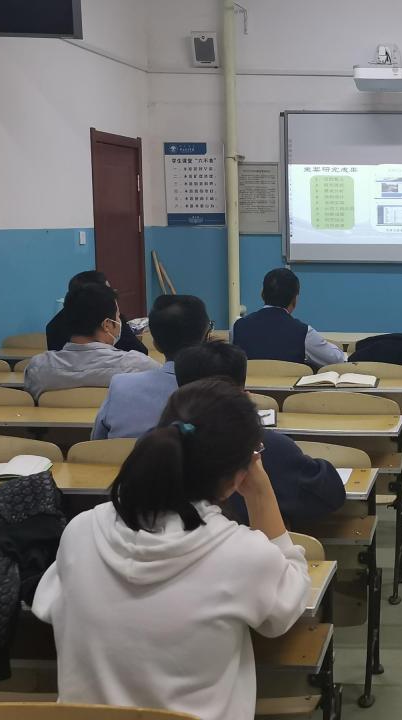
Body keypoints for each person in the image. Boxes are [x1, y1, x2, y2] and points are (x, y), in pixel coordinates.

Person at [33, 380, 310, 720]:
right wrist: (261, 495)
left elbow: (47, 605)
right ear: (239, 476)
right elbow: (287, 607)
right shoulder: (244, 555)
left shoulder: (81, 530)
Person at [175, 341, 346, 526]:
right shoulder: (269, 449)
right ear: (243, 395)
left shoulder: (161, 445)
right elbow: (330, 494)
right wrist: (248, 423)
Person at [92, 295, 212, 440]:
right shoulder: (220, 390)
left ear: (155, 344)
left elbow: (97, 442)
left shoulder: (120, 385)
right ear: (206, 337)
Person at [24, 284, 158, 401]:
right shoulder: (139, 366)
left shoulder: (37, 368)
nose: (120, 321)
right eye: (118, 316)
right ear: (107, 325)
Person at [231, 268, 348, 369]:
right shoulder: (304, 333)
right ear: (294, 299)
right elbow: (337, 360)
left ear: (262, 294)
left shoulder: (237, 327)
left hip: (249, 389)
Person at [46, 270, 148, 354]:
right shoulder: (55, 327)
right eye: (107, 291)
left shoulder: (54, 326)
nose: (111, 296)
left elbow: (140, 350)